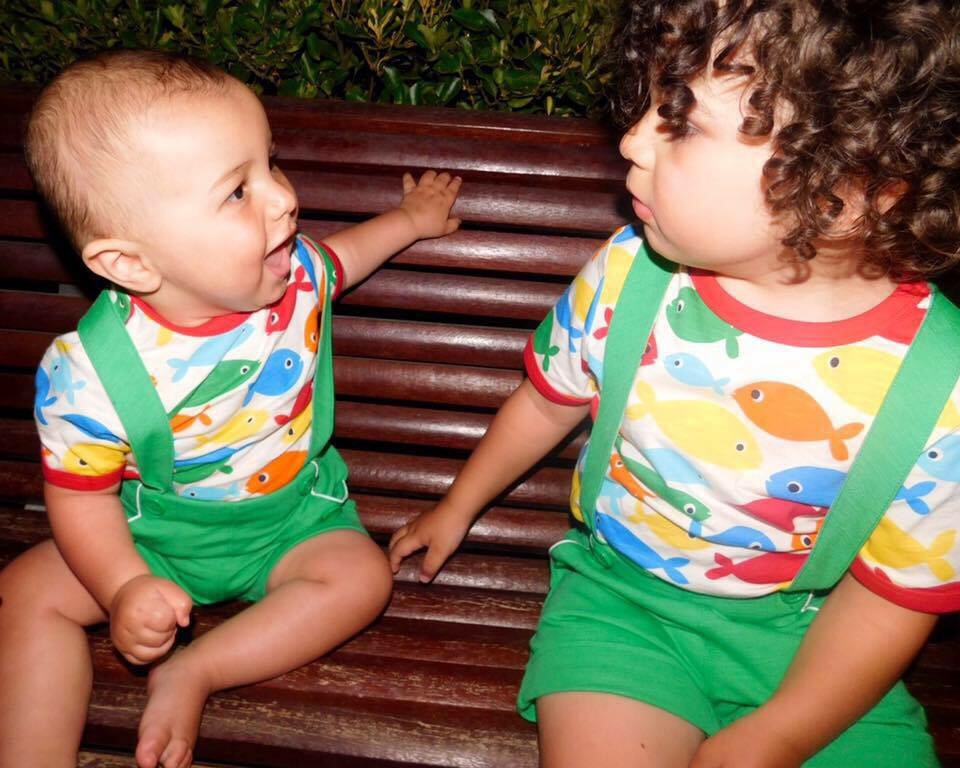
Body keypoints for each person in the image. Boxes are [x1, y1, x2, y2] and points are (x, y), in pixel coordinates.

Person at [389, 1, 960, 766]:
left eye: (683, 120)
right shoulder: (630, 277)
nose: (632, 139)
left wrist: (782, 733)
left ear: (850, 189)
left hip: (825, 648)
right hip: (624, 609)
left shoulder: (941, 384)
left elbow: (894, 591)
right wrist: (458, 506)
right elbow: (547, 402)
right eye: (653, 99)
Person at [0, 49, 461, 768]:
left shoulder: (295, 276)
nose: (283, 198)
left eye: (269, 163)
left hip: (293, 522)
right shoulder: (90, 373)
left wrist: (409, 219)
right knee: (25, 593)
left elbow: (346, 257)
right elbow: (81, 499)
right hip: (153, 536)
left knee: (363, 580)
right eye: (237, 191)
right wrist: (123, 587)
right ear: (129, 263)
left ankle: (196, 671)